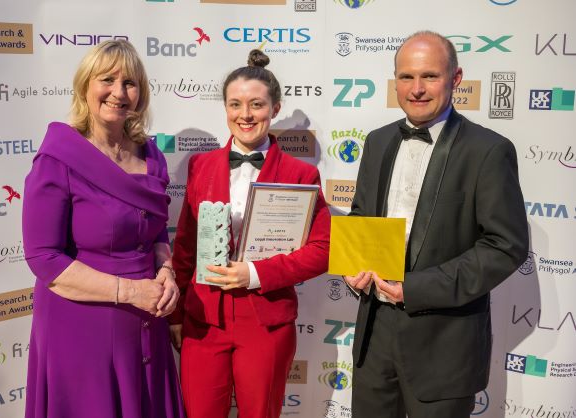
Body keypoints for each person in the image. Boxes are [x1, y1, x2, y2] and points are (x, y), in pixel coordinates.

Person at [344, 31, 528, 417]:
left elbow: (504, 247)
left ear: (455, 78)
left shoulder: (488, 150)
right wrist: (352, 265)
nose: (417, 89)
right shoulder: (377, 141)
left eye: (429, 76)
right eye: (406, 77)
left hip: (444, 346)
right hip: (374, 338)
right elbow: (361, 215)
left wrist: (414, 289)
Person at [22, 40, 185, 418]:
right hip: (81, 329)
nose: (118, 92)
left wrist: (166, 271)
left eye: (129, 83)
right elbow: (44, 258)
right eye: (107, 80)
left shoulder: (152, 155)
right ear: (85, 86)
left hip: (146, 325)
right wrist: (131, 291)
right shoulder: (58, 157)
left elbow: (156, 230)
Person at [169, 49, 330, 418]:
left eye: (256, 104)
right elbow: (186, 245)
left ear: (274, 108)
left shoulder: (301, 174)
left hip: (265, 319)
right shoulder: (200, 164)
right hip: (203, 318)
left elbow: (323, 249)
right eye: (235, 104)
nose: (245, 115)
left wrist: (255, 273)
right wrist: (176, 314)